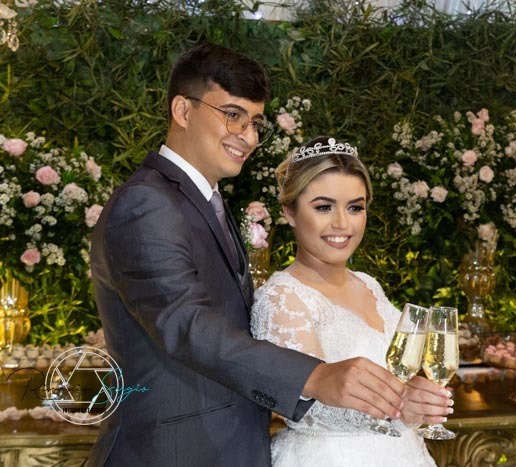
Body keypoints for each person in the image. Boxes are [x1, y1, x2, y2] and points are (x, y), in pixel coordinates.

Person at [88, 44, 449, 466]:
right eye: (233, 115)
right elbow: (185, 323)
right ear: (183, 111)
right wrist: (315, 375)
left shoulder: (205, 203)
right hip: (170, 452)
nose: (249, 136)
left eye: (256, 123)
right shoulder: (146, 203)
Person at [251, 136, 452, 466]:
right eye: (323, 207)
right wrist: (400, 409)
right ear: (289, 212)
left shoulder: (369, 285)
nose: (342, 224)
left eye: (355, 207)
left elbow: (400, 375)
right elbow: (302, 409)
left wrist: (420, 396)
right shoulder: (282, 297)